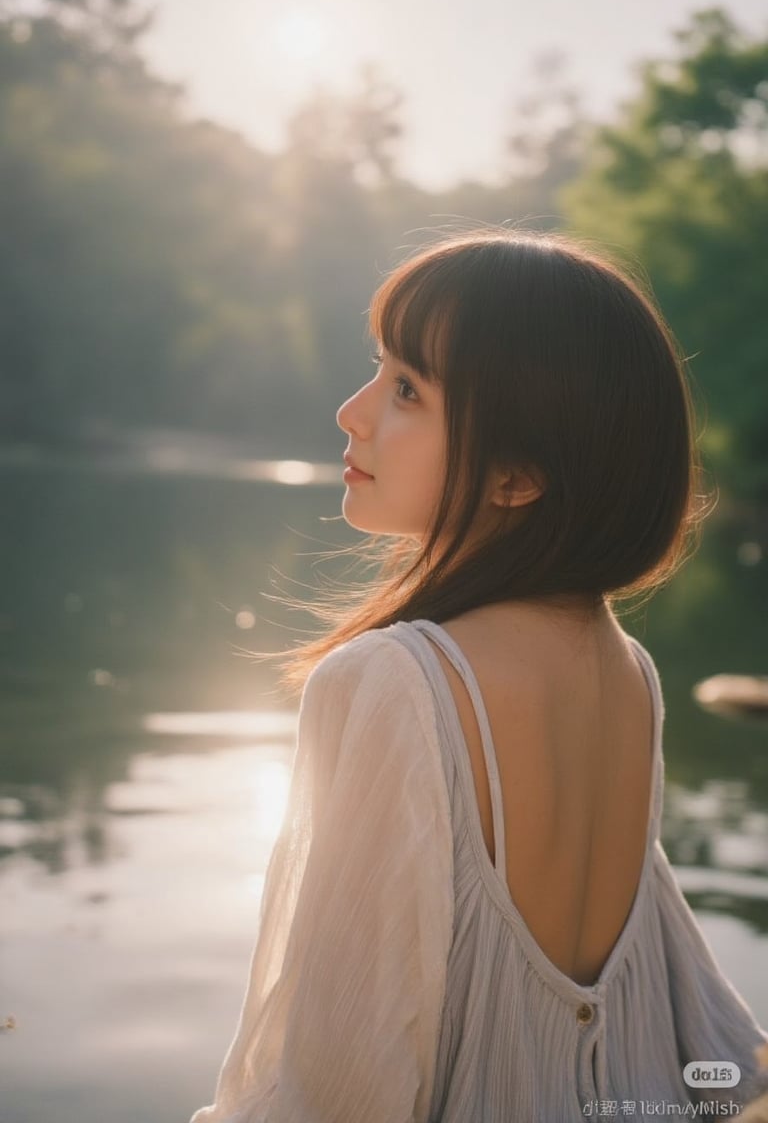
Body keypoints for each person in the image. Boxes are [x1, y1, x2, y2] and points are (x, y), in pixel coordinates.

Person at [190, 230, 768, 1123]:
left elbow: (334, 1083)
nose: (353, 411)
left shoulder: (394, 682)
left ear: (517, 475)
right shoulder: (630, 673)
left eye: (407, 390)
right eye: (377, 369)